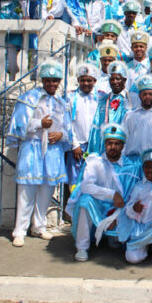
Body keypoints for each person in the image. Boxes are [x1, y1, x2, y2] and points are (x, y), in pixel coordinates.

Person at [6, 60, 73, 247]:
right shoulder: (29, 98)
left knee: (46, 190)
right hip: (33, 148)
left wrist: (60, 135)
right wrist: (38, 124)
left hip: (53, 150)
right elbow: (18, 126)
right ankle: (20, 230)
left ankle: (39, 226)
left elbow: (69, 129)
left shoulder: (62, 102)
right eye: (48, 80)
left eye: (55, 80)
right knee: (27, 191)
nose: (52, 84)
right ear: (42, 80)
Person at [69, 122, 141, 261]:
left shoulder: (131, 166)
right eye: (109, 143)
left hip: (119, 211)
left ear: (123, 145)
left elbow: (132, 196)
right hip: (99, 207)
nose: (112, 147)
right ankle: (82, 247)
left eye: (116, 143)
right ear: (104, 144)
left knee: (116, 244)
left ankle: (112, 234)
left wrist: (116, 217)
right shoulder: (95, 161)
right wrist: (112, 194)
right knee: (85, 200)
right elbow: (86, 187)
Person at [114, 149, 152, 264]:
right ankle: (144, 244)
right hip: (140, 227)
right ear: (143, 168)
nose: (150, 170)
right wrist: (134, 208)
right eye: (147, 167)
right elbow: (128, 209)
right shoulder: (138, 186)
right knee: (132, 258)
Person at [64, 62, 99, 203]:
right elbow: (67, 122)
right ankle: (73, 209)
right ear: (78, 80)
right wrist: (75, 145)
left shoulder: (100, 98)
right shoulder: (71, 97)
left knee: (93, 176)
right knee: (74, 177)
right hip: (77, 145)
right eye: (83, 80)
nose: (86, 83)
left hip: (94, 145)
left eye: (89, 80)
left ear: (94, 81)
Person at [123, 74, 152, 156]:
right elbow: (123, 140)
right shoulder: (129, 115)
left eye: (150, 94)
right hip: (132, 162)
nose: (147, 97)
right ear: (139, 96)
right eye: (144, 94)